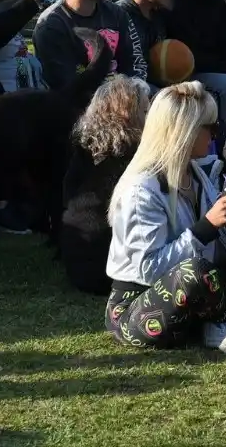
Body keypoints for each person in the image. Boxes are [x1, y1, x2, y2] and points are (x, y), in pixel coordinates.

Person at [105, 81, 226, 355]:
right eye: (210, 128)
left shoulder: (197, 174)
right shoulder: (140, 190)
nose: (216, 135)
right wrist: (207, 226)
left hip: (199, 290)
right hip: (138, 306)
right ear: (184, 131)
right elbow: (148, 269)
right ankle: (225, 322)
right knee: (195, 272)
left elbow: (216, 250)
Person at [60, 76, 151, 294]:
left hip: (78, 261)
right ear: (130, 115)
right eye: (146, 112)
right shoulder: (128, 158)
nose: (151, 118)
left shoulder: (84, 149)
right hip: (109, 270)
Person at [33, 0, 146, 89]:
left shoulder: (116, 13)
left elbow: (135, 62)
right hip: (77, 107)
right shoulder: (51, 25)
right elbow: (65, 87)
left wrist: (135, 91)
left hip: (123, 97)